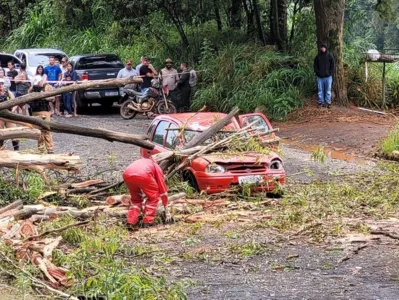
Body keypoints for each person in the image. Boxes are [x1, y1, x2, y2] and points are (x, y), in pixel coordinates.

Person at [123, 157, 171, 228]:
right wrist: (166, 208)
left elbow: (139, 180)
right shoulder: (155, 166)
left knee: (136, 200)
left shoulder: (143, 161)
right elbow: (162, 188)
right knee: (154, 197)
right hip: (143, 174)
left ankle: (131, 221)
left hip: (127, 175)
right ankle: (147, 222)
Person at [29, 73, 54, 153]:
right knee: (38, 131)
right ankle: (41, 149)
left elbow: (52, 98)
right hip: (35, 112)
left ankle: (50, 149)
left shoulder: (47, 87)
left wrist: (44, 96)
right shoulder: (32, 89)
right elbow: (28, 99)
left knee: (46, 130)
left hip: (44, 111)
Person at [0, 78, 20, 151]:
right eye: (0, 84)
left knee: (14, 132)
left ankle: (16, 150)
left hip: (9, 115)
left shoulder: (8, 92)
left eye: (2, 84)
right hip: (0, 117)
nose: (0, 85)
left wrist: (13, 111)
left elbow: (15, 103)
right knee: (1, 133)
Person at [314, 42, 335, 108]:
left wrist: (330, 72)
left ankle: (328, 102)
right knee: (320, 90)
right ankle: (321, 102)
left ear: (326, 48)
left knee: (328, 90)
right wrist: (317, 72)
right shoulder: (318, 56)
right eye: (322, 47)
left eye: (324, 47)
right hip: (320, 77)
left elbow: (333, 64)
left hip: (328, 77)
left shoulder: (329, 56)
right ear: (320, 48)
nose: (323, 48)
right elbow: (315, 65)